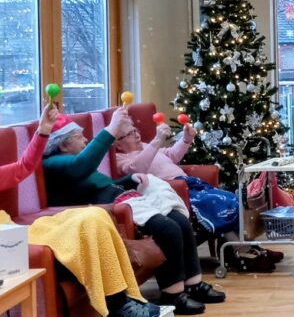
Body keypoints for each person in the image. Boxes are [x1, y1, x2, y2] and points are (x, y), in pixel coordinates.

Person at [0, 106, 157, 317]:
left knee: (95, 215)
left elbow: (23, 168)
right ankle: (117, 306)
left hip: (11, 232)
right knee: (85, 224)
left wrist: (42, 131)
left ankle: (124, 297)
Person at [42, 108, 225, 315]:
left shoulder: (73, 162)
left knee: (179, 220)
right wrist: (111, 130)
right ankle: (173, 294)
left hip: (123, 196)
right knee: (168, 229)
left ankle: (193, 283)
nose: (85, 140)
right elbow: (82, 164)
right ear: (63, 144)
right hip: (112, 206)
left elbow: (106, 183)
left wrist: (129, 180)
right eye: (79, 137)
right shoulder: (55, 163)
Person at [111, 119, 284, 270]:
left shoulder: (150, 148)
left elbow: (172, 154)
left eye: (135, 130)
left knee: (229, 198)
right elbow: (136, 169)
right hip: (175, 191)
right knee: (215, 203)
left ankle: (244, 247)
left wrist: (187, 139)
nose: (136, 134)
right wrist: (156, 141)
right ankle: (243, 250)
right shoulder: (122, 159)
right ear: (118, 144)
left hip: (190, 184)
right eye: (129, 134)